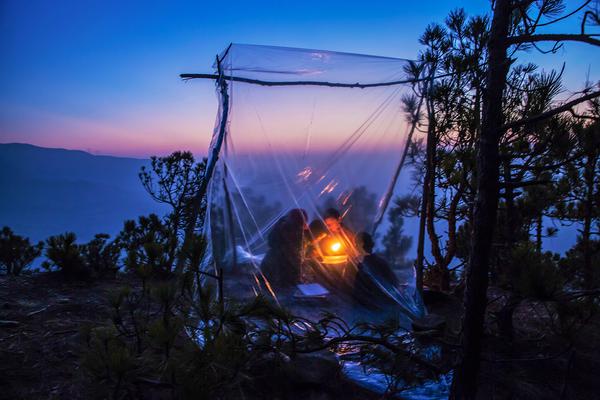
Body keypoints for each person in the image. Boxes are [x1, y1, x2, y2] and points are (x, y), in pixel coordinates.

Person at [260, 209, 308, 289]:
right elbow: (292, 257)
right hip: (275, 274)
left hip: (271, 271)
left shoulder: (284, 228)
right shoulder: (285, 233)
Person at [353, 232, 399, 309]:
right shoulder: (379, 261)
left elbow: (364, 287)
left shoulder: (369, 264)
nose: (355, 246)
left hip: (373, 307)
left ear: (362, 244)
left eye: (356, 243)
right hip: (381, 304)